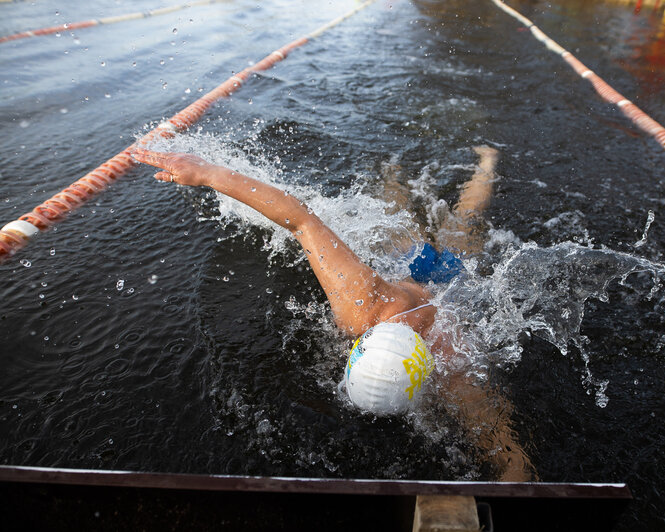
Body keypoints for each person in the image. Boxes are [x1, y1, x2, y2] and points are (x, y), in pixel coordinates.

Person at [132, 144, 534, 481]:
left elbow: (302, 220)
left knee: (447, 224)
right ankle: (471, 163)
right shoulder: (414, 337)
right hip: (434, 280)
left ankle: (431, 167)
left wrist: (209, 174)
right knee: (455, 225)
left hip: (439, 281)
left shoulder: (393, 324)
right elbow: (513, 460)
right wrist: (206, 175)